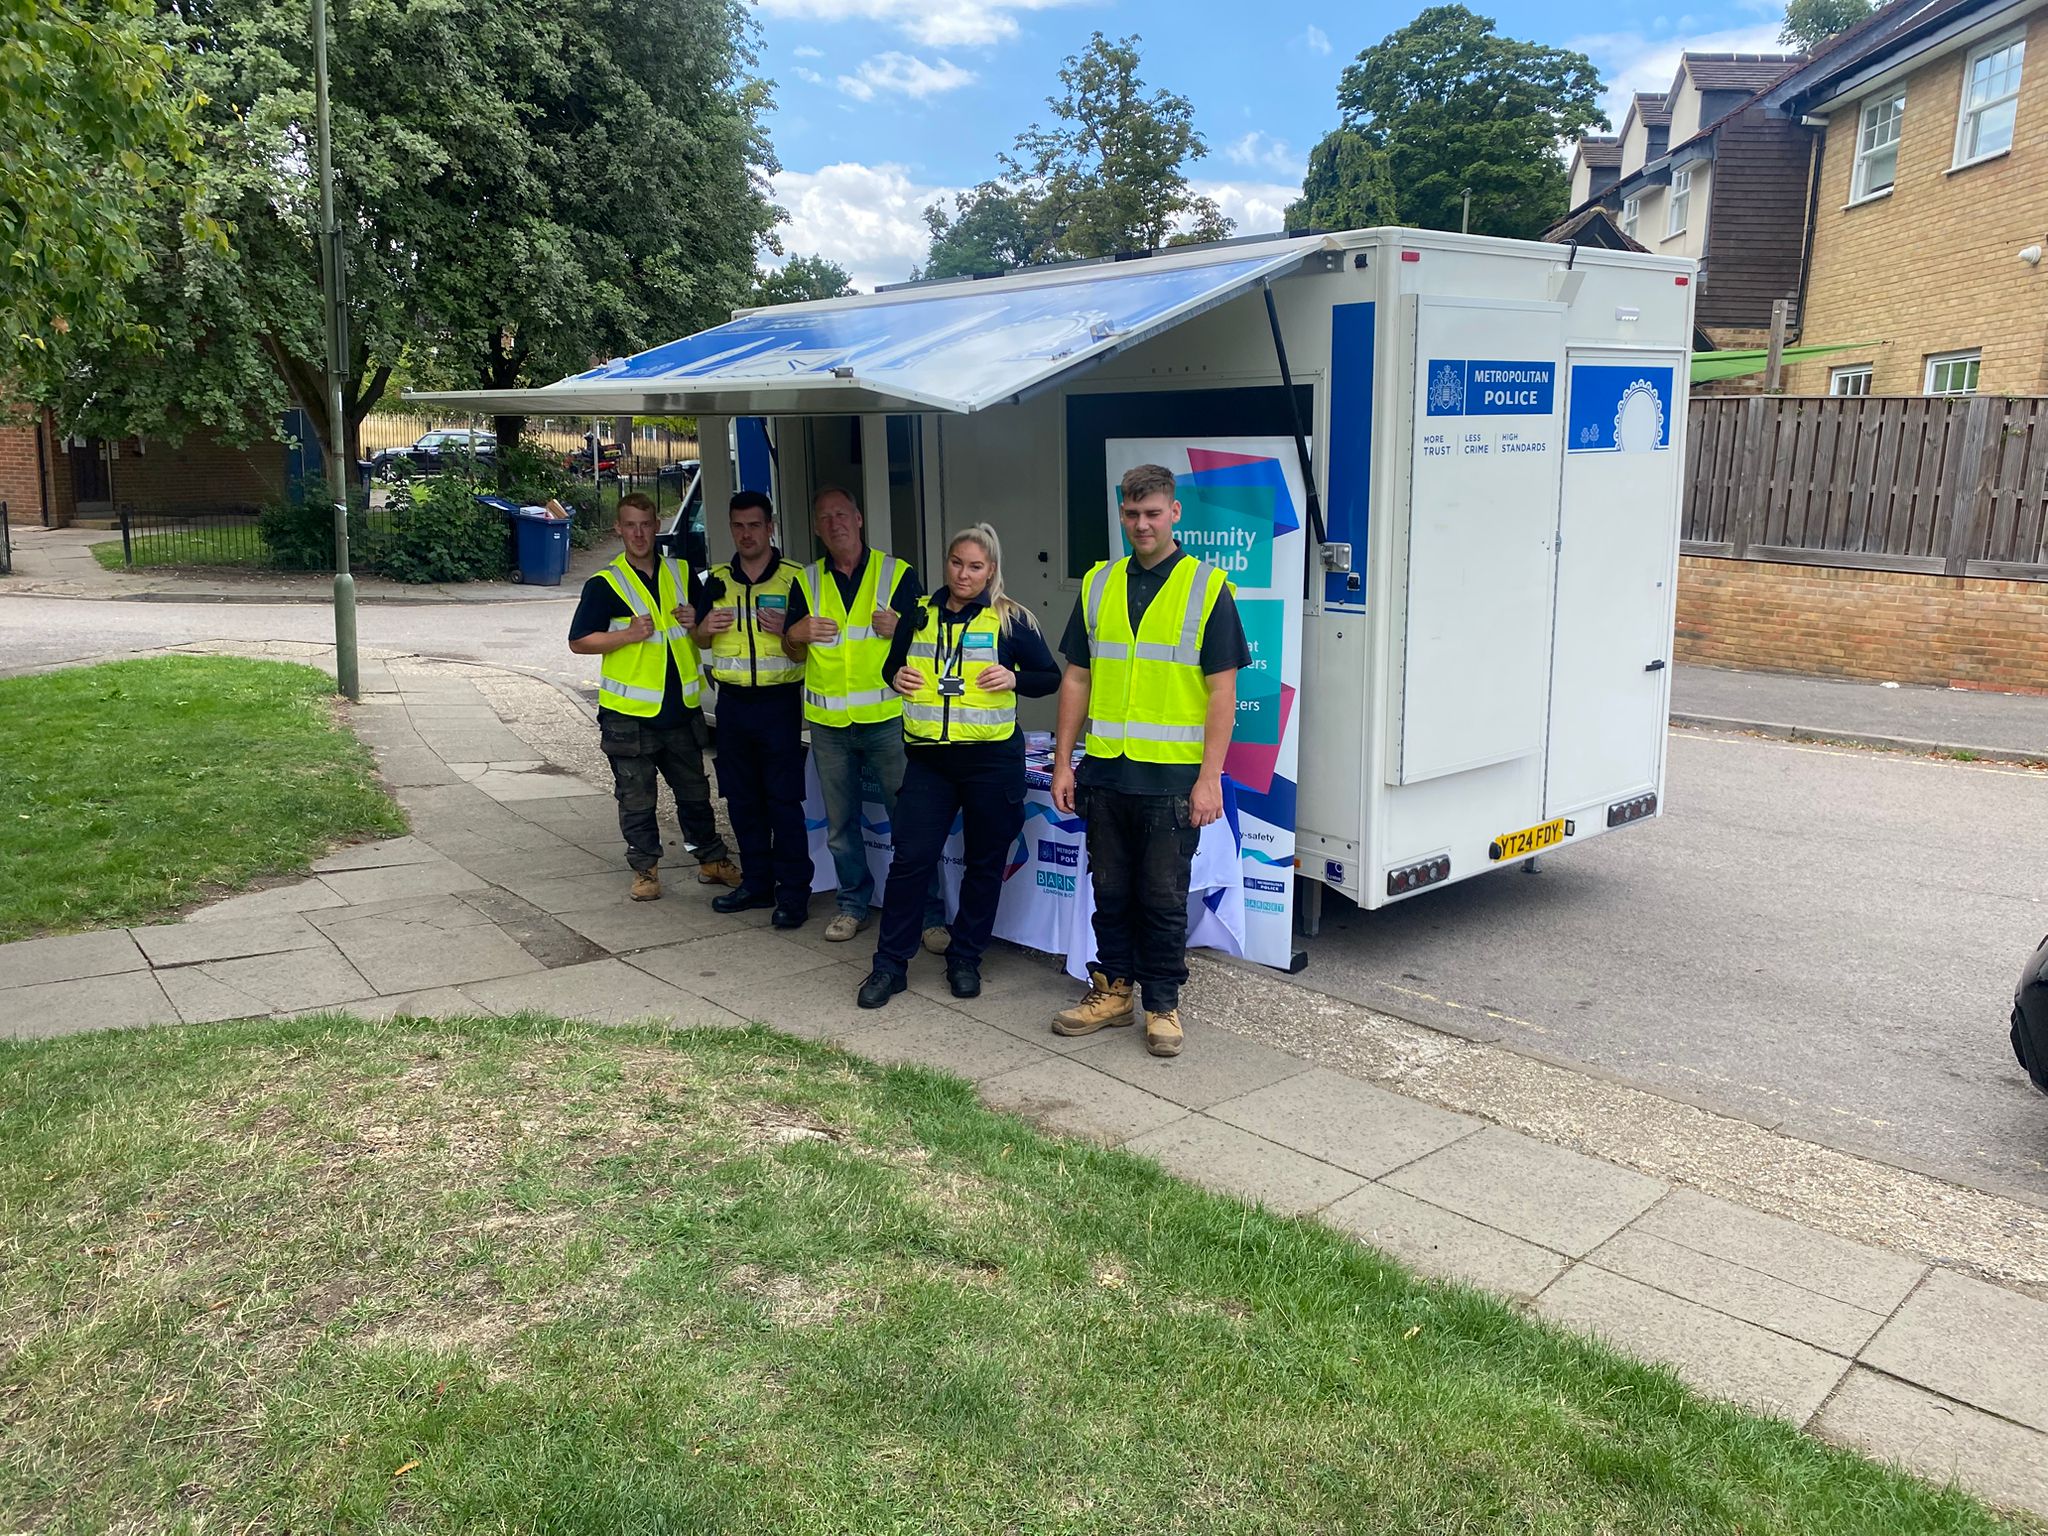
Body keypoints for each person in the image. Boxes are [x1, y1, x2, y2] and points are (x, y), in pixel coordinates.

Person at [1048, 463, 1249, 1058]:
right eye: (1132, 514)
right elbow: (1077, 679)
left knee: (1162, 898)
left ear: (1174, 513)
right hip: (1107, 771)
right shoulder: (1098, 584)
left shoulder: (1207, 588)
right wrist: (1064, 762)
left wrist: (1210, 778)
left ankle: (1162, 1003)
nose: (1142, 524)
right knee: (1109, 892)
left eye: (1153, 513)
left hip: (1172, 779)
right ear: (1121, 513)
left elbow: (1222, 692)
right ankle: (1113, 992)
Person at [856, 524, 1060, 1008]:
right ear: (945, 562)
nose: (963, 574)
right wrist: (896, 677)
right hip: (929, 762)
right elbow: (891, 666)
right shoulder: (918, 614)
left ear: (991, 570)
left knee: (984, 864)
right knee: (910, 861)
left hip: (991, 762)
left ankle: (965, 957)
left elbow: (1049, 677)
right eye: (956, 563)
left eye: (975, 566)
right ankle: (889, 965)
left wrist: (1014, 678)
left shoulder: (1011, 620)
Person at [782, 486, 941, 943]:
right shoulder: (807, 581)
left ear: (859, 519)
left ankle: (928, 914)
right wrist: (795, 633)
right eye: (825, 517)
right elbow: (791, 651)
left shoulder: (898, 573)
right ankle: (853, 905)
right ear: (817, 528)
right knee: (840, 827)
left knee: (909, 822)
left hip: (888, 720)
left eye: (842, 514)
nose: (835, 524)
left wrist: (903, 628)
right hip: (830, 726)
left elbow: (931, 642)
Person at [567, 492, 740, 901]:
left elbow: (702, 635)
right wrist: (628, 635)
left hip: (680, 710)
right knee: (636, 799)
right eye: (630, 525)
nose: (639, 533)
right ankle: (645, 869)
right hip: (628, 715)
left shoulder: (682, 573)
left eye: (645, 524)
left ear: (656, 527)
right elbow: (578, 641)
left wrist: (696, 621)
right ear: (619, 529)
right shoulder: (605, 583)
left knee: (695, 794)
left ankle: (710, 860)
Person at [696, 491, 809, 929]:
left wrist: (789, 631)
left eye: (754, 525)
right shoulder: (716, 579)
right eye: (738, 526)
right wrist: (704, 628)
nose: (746, 534)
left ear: (770, 528)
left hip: (778, 704)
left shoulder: (796, 579)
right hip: (732, 705)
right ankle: (757, 883)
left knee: (784, 802)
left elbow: (808, 646)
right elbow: (699, 638)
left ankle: (793, 893)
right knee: (742, 800)